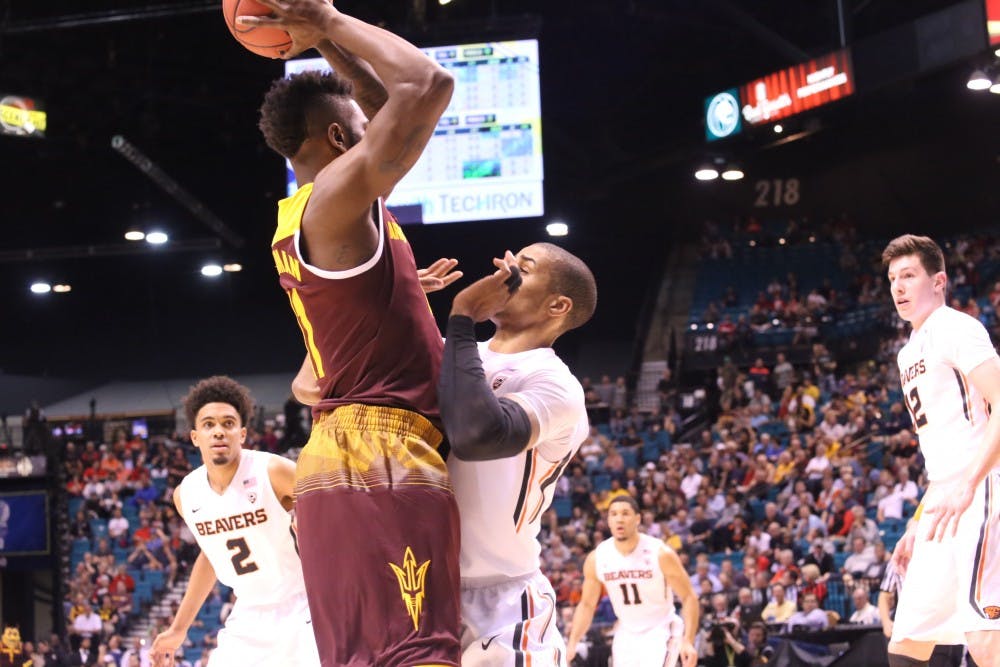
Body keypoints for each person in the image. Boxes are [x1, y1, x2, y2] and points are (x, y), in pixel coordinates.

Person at [244, 0, 465, 662]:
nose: (376, 125)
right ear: (342, 141)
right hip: (381, 459)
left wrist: (326, 49)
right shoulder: (338, 200)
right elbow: (427, 85)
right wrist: (329, 17)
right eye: (362, 127)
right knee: (420, 653)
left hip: (341, 460)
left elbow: (378, 95)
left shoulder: (315, 210)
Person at [435, 244, 596, 665]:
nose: (505, 271)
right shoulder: (448, 351)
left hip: (502, 602)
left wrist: (463, 315)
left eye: (522, 269)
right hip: (419, 589)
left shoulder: (555, 384)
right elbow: (312, 385)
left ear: (557, 305)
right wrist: (389, 306)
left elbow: (477, 436)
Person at [883, 235, 1000, 667]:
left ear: (939, 281)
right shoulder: (908, 353)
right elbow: (940, 453)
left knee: (986, 635)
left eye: (909, 275)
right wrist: (916, 521)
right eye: (892, 278)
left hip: (984, 484)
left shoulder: (956, 327)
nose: (898, 287)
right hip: (942, 501)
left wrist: (971, 483)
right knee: (907, 641)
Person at [149, 376, 319, 667]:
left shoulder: (273, 471)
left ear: (241, 434)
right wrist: (178, 629)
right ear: (194, 437)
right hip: (248, 613)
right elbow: (211, 555)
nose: (218, 432)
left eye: (228, 424)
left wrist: (315, 521)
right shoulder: (186, 496)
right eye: (209, 424)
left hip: (303, 606)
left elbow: (333, 504)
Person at [566, 496, 698, 667]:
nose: (619, 519)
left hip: (661, 628)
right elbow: (587, 605)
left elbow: (689, 597)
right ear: (609, 521)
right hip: (625, 633)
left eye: (625, 513)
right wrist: (573, 641)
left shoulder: (660, 553)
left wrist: (688, 640)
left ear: (637, 519)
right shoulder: (597, 558)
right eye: (613, 514)